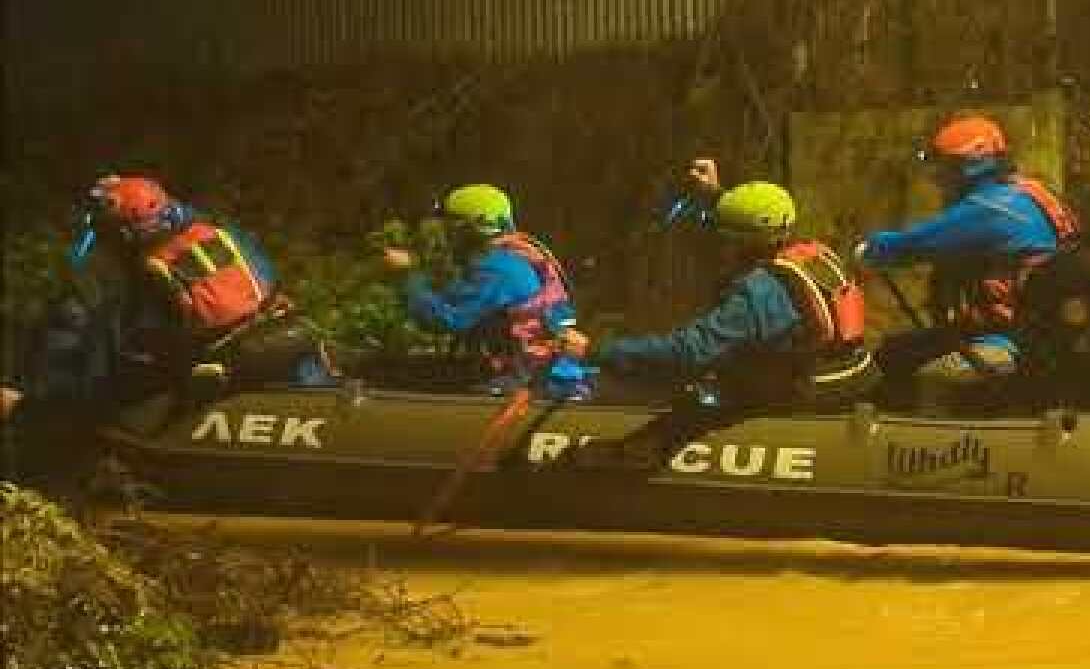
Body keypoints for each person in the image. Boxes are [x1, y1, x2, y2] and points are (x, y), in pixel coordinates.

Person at [560, 160, 878, 471]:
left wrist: (596, 351)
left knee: (692, 382)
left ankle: (632, 454)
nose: (721, 242)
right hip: (849, 377)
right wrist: (716, 195)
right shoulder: (812, 254)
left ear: (741, 242)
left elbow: (690, 350)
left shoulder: (759, 294)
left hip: (808, 390)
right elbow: (756, 223)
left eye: (725, 234)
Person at [854, 114, 1080, 393]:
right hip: (1039, 332)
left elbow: (912, 244)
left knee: (929, 378)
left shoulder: (988, 209)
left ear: (966, 168)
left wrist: (871, 248)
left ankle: (928, 435)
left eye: (943, 169)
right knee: (894, 351)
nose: (938, 180)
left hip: (1010, 339)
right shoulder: (1028, 193)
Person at [78, 174, 336, 391]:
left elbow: (147, 334)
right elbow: (266, 273)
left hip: (229, 350)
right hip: (281, 323)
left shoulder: (151, 267)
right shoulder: (217, 230)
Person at [382, 183, 591, 400]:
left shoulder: (498, 268)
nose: (445, 232)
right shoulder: (512, 256)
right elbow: (458, 293)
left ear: (470, 229)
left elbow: (449, 319)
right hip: (543, 373)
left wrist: (409, 276)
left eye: (450, 226)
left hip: (534, 381)